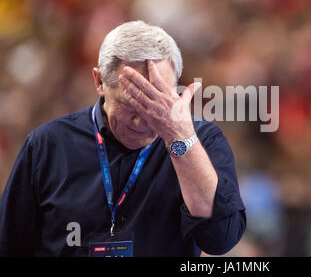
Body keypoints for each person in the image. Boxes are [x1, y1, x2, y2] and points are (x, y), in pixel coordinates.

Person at [0, 21, 246, 256]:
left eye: (155, 102)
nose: (143, 120)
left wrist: (179, 138)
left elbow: (220, 238)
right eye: (131, 103)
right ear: (99, 82)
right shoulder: (47, 145)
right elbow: (9, 246)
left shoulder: (203, 140)